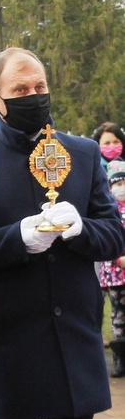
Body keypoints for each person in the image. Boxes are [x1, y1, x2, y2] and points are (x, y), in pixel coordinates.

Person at [0, 46, 125, 419]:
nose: (34, 96)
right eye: (20, 90)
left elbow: (113, 237)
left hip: (74, 332)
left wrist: (82, 229)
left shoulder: (83, 153)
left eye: (40, 85)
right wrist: (17, 238)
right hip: (12, 340)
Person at [99, 159, 125, 377]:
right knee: (118, 315)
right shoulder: (109, 209)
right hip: (116, 274)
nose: (121, 187)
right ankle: (119, 358)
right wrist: (118, 257)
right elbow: (108, 236)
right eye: (117, 184)